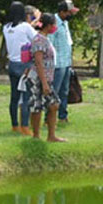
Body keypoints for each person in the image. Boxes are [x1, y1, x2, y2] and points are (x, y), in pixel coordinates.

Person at [23, 13, 65, 142]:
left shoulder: (45, 39)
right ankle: (36, 135)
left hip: (46, 78)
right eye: (54, 24)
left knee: (53, 104)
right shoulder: (39, 40)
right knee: (37, 106)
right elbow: (39, 62)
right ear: (48, 26)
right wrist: (44, 83)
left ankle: (51, 135)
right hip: (38, 79)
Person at [3, 2, 36, 135]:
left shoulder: (6, 27)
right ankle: (25, 126)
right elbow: (36, 37)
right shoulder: (26, 27)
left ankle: (14, 125)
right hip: (25, 64)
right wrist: (36, 20)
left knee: (14, 97)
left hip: (12, 63)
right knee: (26, 96)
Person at [52, 0, 78, 123]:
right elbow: (50, 44)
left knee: (65, 91)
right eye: (68, 12)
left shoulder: (65, 23)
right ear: (62, 12)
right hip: (57, 64)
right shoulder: (54, 23)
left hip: (66, 62)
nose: (70, 15)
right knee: (54, 91)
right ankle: (50, 116)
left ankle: (63, 116)